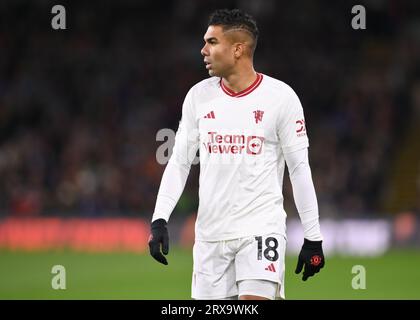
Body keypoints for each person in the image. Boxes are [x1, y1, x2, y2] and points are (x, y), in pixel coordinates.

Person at [149, 8, 325, 300]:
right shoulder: (198, 97)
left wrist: (313, 237)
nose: (203, 50)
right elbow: (179, 162)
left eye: (212, 42)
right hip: (210, 237)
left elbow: (299, 169)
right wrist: (159, 219)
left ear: (238, 49)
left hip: (260, 230)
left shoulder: (281, 98)